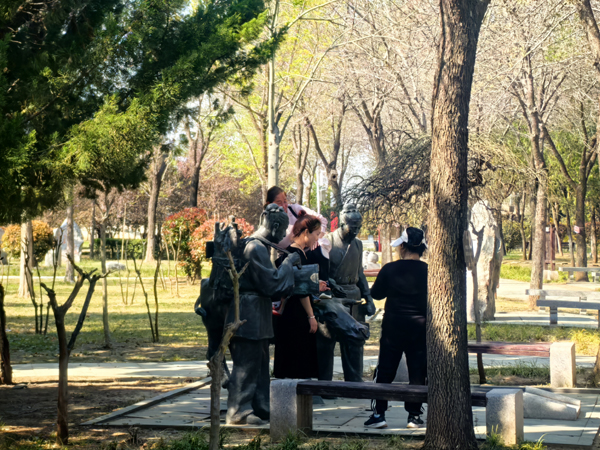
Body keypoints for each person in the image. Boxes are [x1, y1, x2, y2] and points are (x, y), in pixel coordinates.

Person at [224, 204, 300, 425]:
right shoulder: (255, 247)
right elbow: (271, 284)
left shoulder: (259, 246)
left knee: (259, 363)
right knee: (247, 364)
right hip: (248, 312)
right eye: (283, 230)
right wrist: (288, 263)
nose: (284, 235)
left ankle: (261, 405)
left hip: (257, 312)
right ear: (275, 225)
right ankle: (238, 412)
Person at [364, 227, 428, 430]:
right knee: (417, 371)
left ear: (403, 246)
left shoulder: (390, 269)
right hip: (420, 326)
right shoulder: (428, 271)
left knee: (385, 369)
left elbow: (376, 294)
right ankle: (414, 416)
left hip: (393, 325)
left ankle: (379, 413)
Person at [317, 204, 376, 383]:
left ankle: (354, 383)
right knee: (326, 343)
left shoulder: (357, 244)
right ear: (342, 224)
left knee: (354, 342)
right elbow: (320, 271)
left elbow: (360, 274)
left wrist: (368, 298)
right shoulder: (327, 241)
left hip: (354, 297)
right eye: (353, 228)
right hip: (332, 298)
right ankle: (325, 386)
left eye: (358, 228)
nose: (356, 232)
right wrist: (331, 283)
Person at [273, 212, 328, 379]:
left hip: (292, 311)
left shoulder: (294, 252)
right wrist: (311, 316)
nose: (317, 239)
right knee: (298, 358)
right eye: (316, 234)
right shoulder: (295, 255)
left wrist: (315, 285)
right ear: (305, 233)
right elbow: (300, 290)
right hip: (295, 313)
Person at [266, 186, 332, 299]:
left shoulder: (294, 209)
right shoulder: (268, 222)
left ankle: (324, 286)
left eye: (285, 201)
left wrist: (317, 237)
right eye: (279, 202)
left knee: (320, 247)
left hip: (306, 250)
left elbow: (321, 220)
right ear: (269, 204)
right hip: (288, 255)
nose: (284, 206)